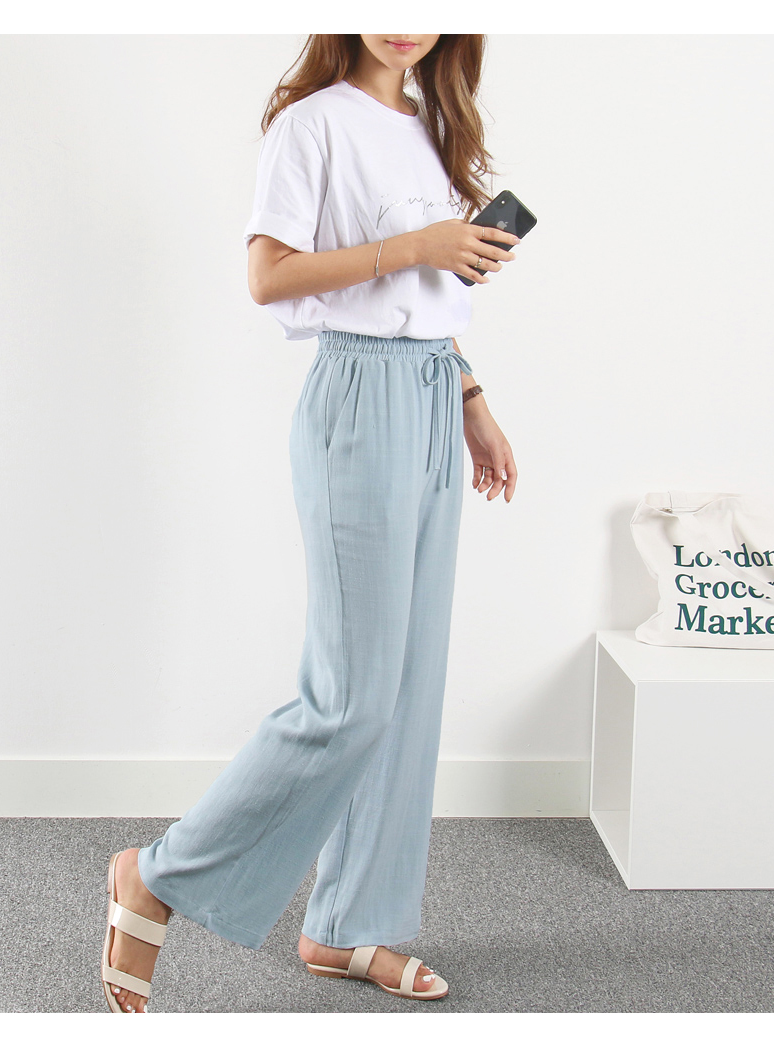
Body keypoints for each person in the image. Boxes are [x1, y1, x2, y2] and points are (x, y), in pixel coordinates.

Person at [100, 33, 519, 1014]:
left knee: (406, 689)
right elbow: (267, 275)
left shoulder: (431, 124)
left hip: (430, 391)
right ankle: (156, 873)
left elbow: (427, 297)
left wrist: (470, 398)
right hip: (358, 399)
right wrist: (419, 246)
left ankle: (345, 925)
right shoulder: (311, 123)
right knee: (350, 697)